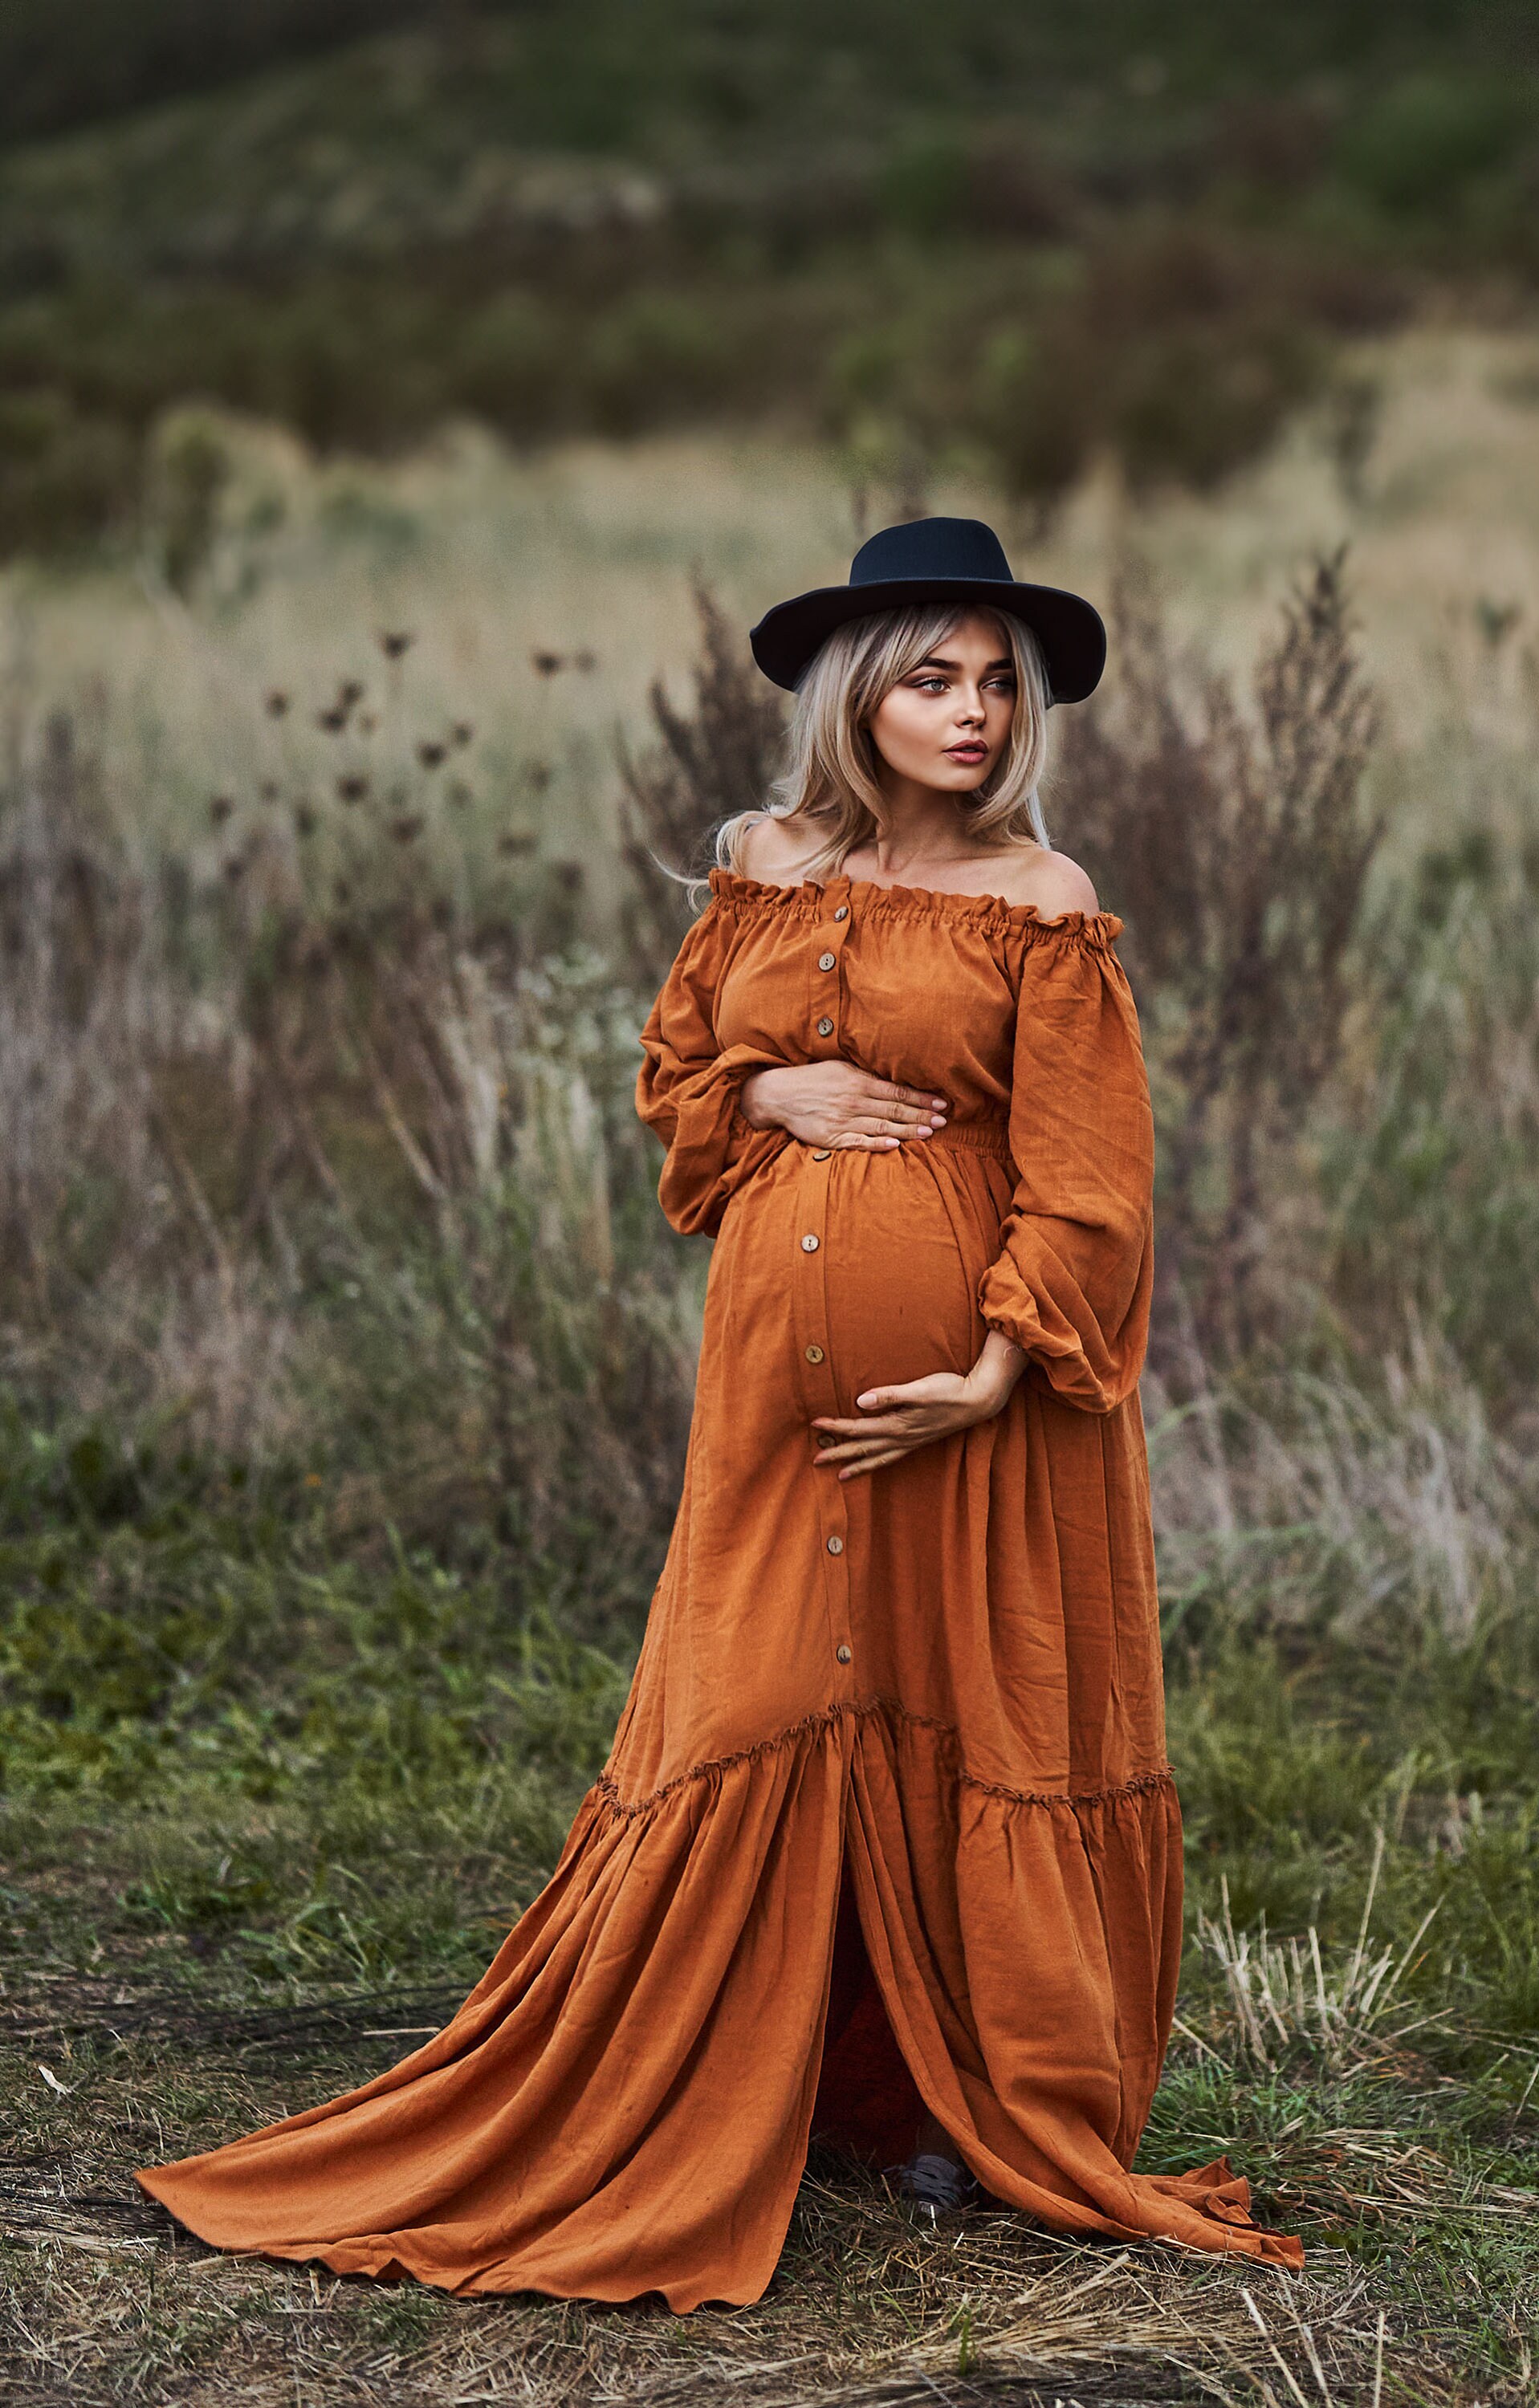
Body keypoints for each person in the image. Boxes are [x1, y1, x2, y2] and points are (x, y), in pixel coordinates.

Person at [137, 517, 1301, 2303]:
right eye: (933, 678)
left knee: (965, 1706)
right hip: (768, 1401)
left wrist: (991, 1368)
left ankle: (950, 2103)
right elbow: (678, 1086)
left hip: (978, 1408)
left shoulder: (1043, 904)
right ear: (857, 693)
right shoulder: (760, 864)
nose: (975, 712)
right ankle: (713, 2082)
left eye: (998, 682)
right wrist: (777, 1075)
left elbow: (1094, 1179)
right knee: (751, 1705)